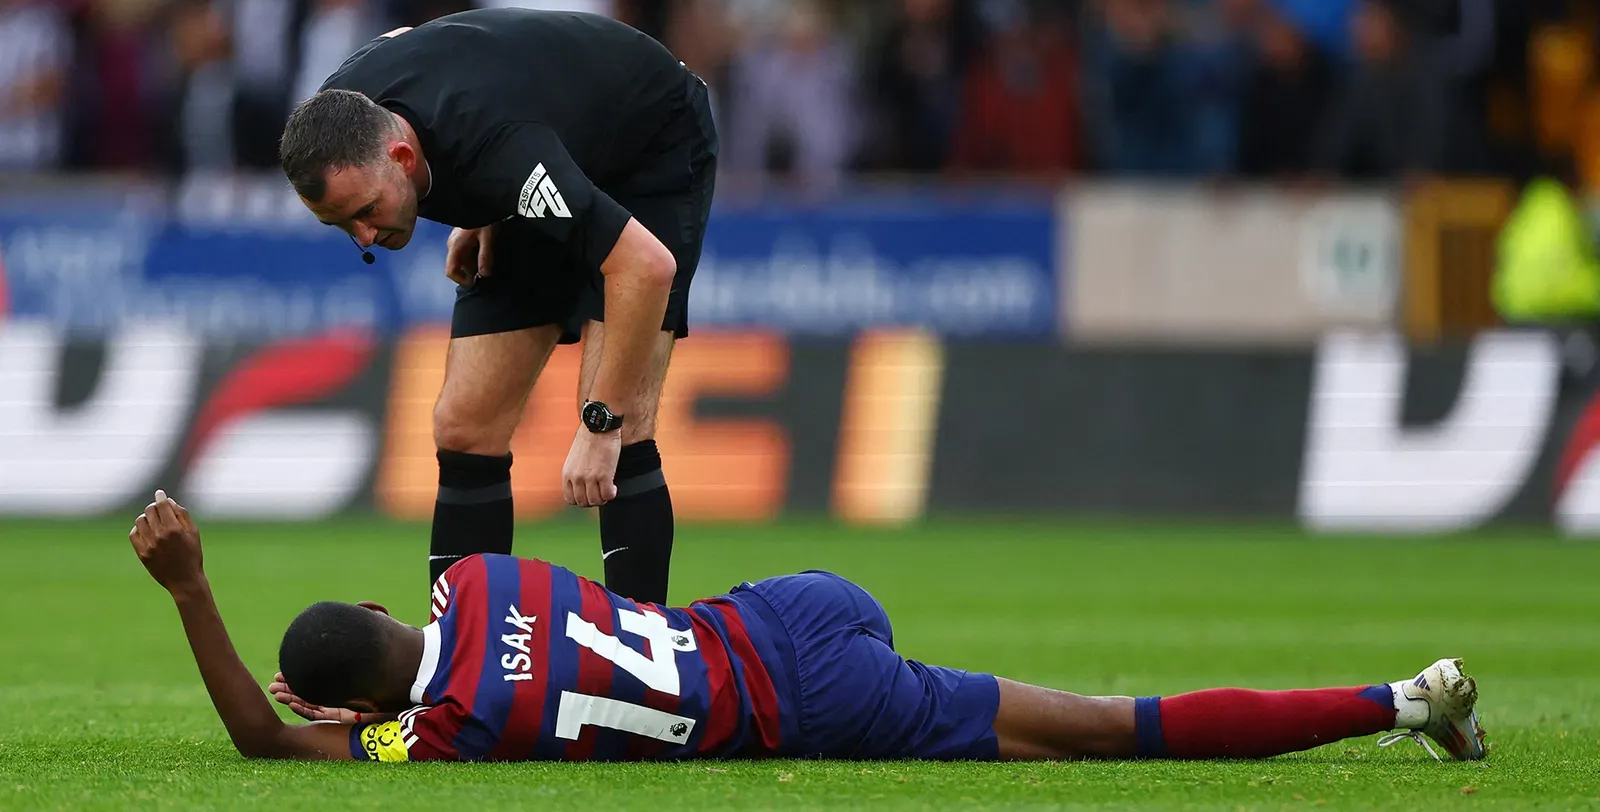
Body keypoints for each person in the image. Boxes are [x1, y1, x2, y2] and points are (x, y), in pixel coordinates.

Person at [129, 490, 1488, 764]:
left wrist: (194, 593)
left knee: (1101, 737)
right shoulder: (481, 583)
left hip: (808, 710)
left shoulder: (451, 731)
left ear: (367, 708)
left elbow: (265, 739)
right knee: (1065, 734)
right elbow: (374, 661)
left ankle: (1408, 699)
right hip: (793, 606)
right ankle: (1408, 708)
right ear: (388, 607)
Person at [278, 8, 719, 605]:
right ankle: (460, 670)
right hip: (538, 148)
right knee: (463, 427)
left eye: (366, 210)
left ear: (404, 158)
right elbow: (407, 37)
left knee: (625, 434)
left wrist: (600, 422)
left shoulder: (500, 148)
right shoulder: (342, 113)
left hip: (648, 149)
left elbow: (646, 267)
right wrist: (482, 204)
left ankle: (649, 676)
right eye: (340, 224)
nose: (363, 236)